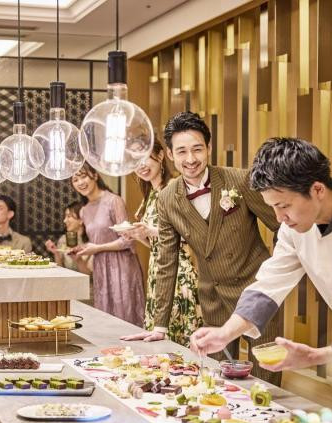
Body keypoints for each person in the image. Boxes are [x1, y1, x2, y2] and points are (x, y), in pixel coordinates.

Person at [118, 112, 281, 384]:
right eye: (182, 151)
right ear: (170, 154)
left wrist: (274, 276)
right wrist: (160, 325)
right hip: (212, 298)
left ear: (209, 148)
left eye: (197, 149)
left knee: (267, 375)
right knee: (217, 379)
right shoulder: (167, 199)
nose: (190, 159)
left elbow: (282, 226)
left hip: (256, 292)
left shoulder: (239, 181)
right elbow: (166, 262)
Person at [190, 137, 332, 372]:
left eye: (283, 206)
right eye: (272, 207)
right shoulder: (293, 229)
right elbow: (268, 285)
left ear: (317, 189)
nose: (278, 218)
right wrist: (225, 333)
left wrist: (316, 356)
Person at [119, 138, 202, 347]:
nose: (141, 166)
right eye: (135, 161)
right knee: (160, 337)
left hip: (179, 270)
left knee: (178, 336)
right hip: (157, 271)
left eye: (145, 157)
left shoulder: (175, 187)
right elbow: (158, 243)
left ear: (161, 155)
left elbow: (190, 232)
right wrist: (138, 235)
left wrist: (151, 230)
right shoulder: (150, 194)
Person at [70, 162, 146, 327]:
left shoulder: (113, 201)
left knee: (125, 315)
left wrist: (97, 248)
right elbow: (97, 239)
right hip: (101, 268)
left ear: (95, 175)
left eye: (83, 177)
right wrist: (83, 248)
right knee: (105, 317)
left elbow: (127, 239)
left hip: (122, 266)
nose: (80, 182)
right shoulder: (84, 210)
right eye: (75, 180)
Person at [44, 201, 94, 305]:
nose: (64, 220)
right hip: (67, 288)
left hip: (88, 292)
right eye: (65, 216)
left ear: (81, 220)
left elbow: (87, 276)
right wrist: (56, 253)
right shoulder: (63, 239)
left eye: (69, 216)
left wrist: (78, 259)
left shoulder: (92, 242)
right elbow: (61, 271)